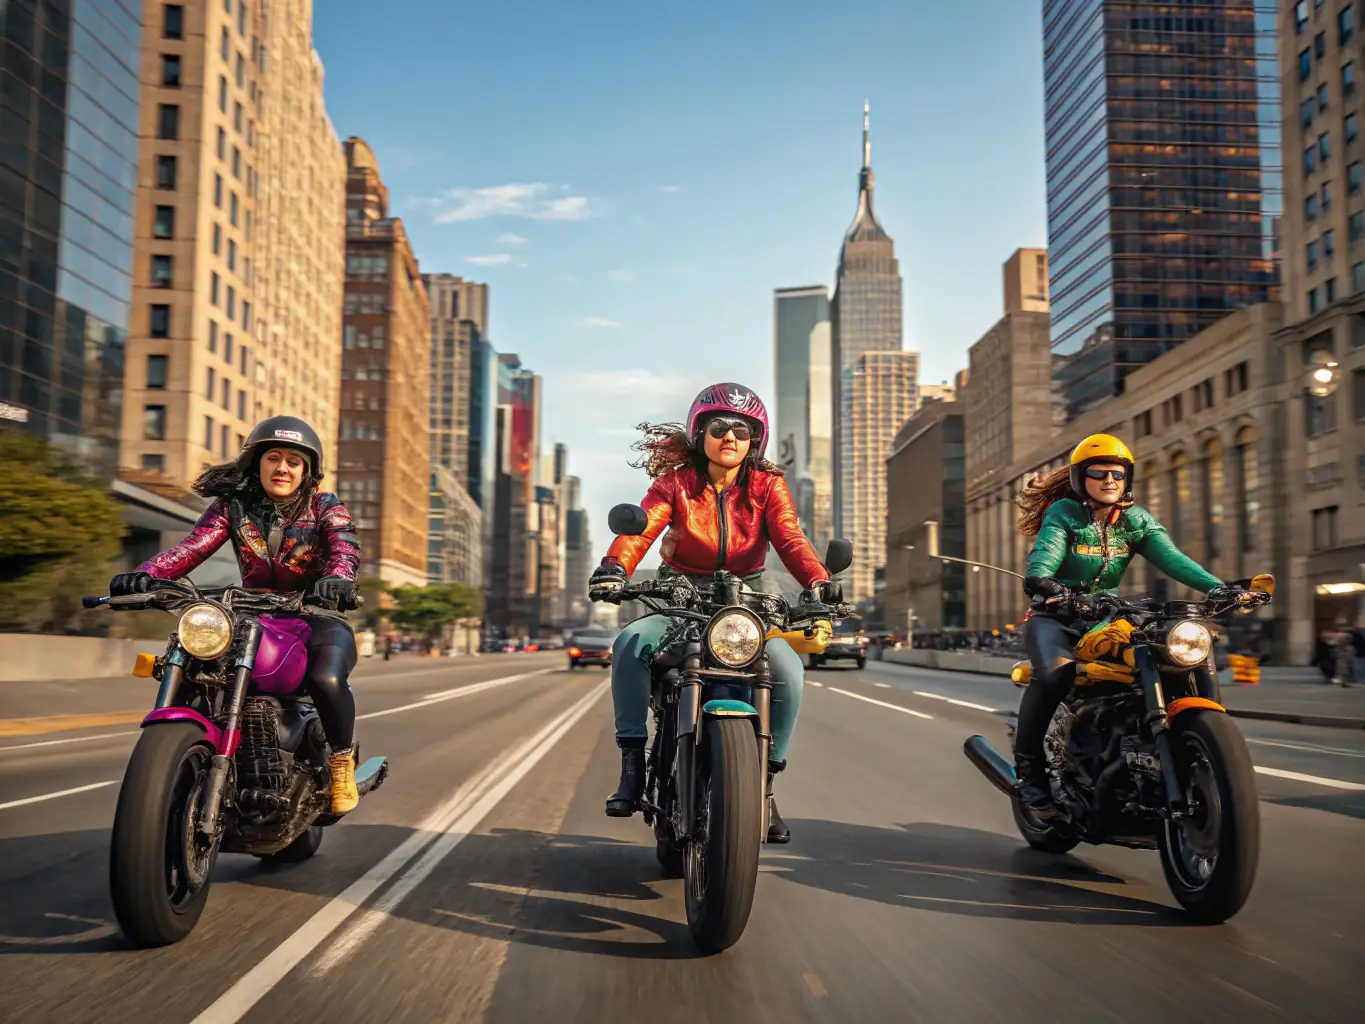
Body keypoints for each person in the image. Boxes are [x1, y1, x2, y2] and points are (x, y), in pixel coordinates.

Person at [589, 383, 836, 843]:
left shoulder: (767, 486)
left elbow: (789, 537)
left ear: (753, 440)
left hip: (748, 597)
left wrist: (818, 582)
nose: (730, 437)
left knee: (786, 668)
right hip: (681, 592)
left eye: (742, 430)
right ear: (699, 432)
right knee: (629, 644)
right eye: (719, 427)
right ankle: (631, 766)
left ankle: (762, 784)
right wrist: (613, 567)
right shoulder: (675, 484)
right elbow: (641, 530)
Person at [108, 416, 363, 815]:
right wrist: (146, 575)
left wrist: (338, 579)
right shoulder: (233, 506)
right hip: (252, 616)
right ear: (257, 462)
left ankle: (341, 761)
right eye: (273, 457)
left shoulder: (325, 506)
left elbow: (344, 548)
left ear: (307, 471)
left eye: (293, 461)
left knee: (325, 678)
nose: (282, 468)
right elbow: (191, 548)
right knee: (198, 665)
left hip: (315, 615)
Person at [1012, 433, 1243, 819]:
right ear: (1078, 478)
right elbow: (1046, 553)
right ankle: (1031, 774)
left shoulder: (1135, 520)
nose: (1109, 481)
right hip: (1057, 618)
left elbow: (1172, 558)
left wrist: (1220, 588)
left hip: (1108, 617)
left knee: (1169, 660)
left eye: (1118, 474)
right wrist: (1046, 583)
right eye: (1098, 473)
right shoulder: (1064, 514)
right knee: (1055, 674)